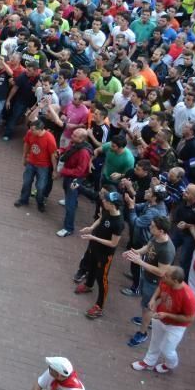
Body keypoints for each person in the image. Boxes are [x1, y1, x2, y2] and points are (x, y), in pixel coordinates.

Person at [131, 266, 195, 373]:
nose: (163, 276)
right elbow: (160, 288)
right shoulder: (166, 281)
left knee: (167, 350)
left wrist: (167, 315)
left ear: (175, 281)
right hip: (160, 317)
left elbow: (190, 318)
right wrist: (153, 299)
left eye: (166, 276)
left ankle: (170, 364)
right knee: (155, 342)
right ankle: (149, 362)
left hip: (176, 326)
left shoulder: (189, 297)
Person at [123, 216, 176, 347]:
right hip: (146, 276)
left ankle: (143, 333)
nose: (150, 227)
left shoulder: (167, 250)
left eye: (153, 226)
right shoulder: (156, 237)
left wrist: (140, 262)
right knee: (145, 305)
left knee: (148, 307)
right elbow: (148, 247)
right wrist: (135, 252)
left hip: (154, 283)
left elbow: (161, 272)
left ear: (162, 231)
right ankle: (147, 319)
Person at [74, 190, 124, 319]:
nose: (103, 201)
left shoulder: (118, 223)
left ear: (113, 205)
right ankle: (88, 285)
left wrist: (94, 238)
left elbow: (113, 243)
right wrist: (91, 228)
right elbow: (101, 218)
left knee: (102, 279)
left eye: (106, 201)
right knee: (91, 266)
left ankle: (99, 306)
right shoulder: (107, 210)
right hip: (95, 246)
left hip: (105, 254)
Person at [56, 129, 93, 237]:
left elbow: (80, 171)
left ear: (82, 139)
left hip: (76, 178)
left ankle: (68, 228)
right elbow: (67, 150)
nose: (71, 136)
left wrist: (63, 171)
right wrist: (60, 151)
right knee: (65, 187)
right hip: (69, 174)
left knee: (70, 204)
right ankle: (73, 201)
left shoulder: (83, 152)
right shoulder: (74, 144)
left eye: (75, 135)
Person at [15, 121, 58, 212]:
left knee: (40, 186)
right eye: (30, 128)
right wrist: (24, 157)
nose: (31, 131)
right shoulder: (30, 133)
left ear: (40, 130)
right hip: (31, 162)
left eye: (33, 130)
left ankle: (40, 202)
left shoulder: (49, 138)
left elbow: (53, 155)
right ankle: (23, 200)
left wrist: (54, 170)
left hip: (43, 166)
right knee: (26, 182)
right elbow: (26, 144)